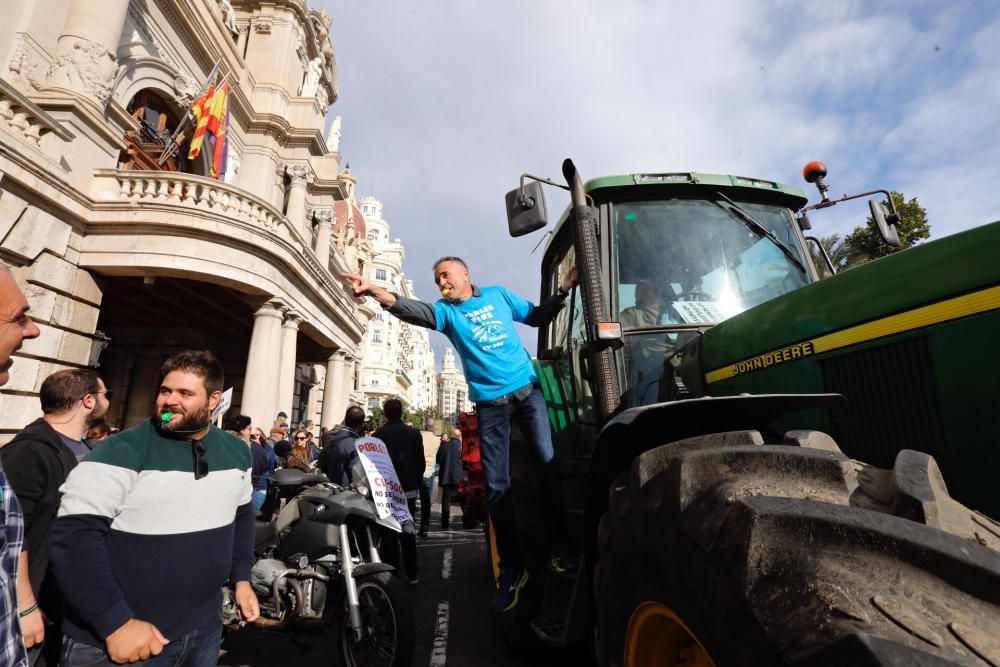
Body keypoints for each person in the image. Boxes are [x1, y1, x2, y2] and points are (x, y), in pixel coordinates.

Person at [342, 256, 578, 612]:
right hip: (491, 406)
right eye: (437, 279)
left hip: (528, 393)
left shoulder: (498, 295)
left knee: (548, 465)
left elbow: (536, 316)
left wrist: (563, 289)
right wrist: (375, 290)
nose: (442, 283)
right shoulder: (446, 313)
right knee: (497, 487)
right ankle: (512, 568)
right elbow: (411, 309)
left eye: (446, 275)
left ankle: (562, 547)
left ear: (465, 274)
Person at [50, 350, 259, 666]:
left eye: (185, 393)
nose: (170, 400)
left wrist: (242, 578)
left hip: (204, 629)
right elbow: (73, 539)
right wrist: (114, 623)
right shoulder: (120, 449)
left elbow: (242, 518)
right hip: (123, 639)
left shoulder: (236, 452)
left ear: (213, 399)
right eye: (165, 391)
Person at [2, 369, 109, 666]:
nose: (106, 401)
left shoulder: (83, 449)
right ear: (88, 401)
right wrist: (24, 606)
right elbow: (11, 535)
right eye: (104, 395)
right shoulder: (30, 450)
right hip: (31, 607)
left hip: (62, 601)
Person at [0, 263, 41, 667]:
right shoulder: (29, 450)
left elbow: (12, 542)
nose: (32, 331)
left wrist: (24, 603)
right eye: (18, 318)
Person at [372, 399, 424, 584]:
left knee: (388, 534)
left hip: (386, 490)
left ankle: (392, 574)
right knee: (408, 531)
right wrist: (415, 483)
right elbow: (420, 461)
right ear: (401, 412)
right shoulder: (414, 434)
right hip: (408, 490)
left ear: (385, 413)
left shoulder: (379, 434)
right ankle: (412, 573)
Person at [318, 406, 365, 485]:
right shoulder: (355, 443)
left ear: (345, 419)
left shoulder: (333, 438)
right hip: (346, 492)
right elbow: (357, 474)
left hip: (331, 488)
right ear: (361, 424)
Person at [437, 428, 464, 530]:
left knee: (446, 500)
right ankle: (466, 521)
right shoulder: (462, 446)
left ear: (451, 435)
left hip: (446, 477)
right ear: (459, 436)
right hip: (459, 477)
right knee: (463, 499)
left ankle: (445, 523)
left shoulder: (444, 446)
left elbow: (439, 459)